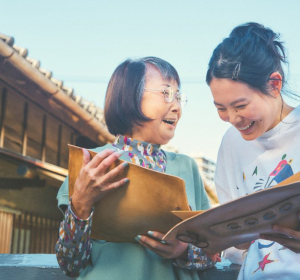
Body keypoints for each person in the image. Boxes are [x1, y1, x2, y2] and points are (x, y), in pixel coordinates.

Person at [55, 56, 219, 280]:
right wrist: (81, 202)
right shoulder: (91, 164)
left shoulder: (187, 167)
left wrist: (182, 250)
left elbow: (213, 253)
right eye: (167, 93)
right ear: (130, 96)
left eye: (179, 97)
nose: (177, 107)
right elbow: (70, 263)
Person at [206, 22, 300, 279]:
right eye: (221, 108)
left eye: (240, 105)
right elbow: (236, 238)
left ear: (274, 84)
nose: (233, 118)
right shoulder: (231, 143)